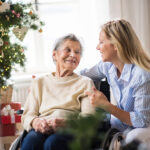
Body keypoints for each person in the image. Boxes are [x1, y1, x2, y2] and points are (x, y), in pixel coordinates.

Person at [21, 34, 95, 150]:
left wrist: (67, 124)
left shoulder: (85, 83)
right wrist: (36, 122)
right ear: (54, 54)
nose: (73, 55)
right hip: (42, 129)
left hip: (71, 132)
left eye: (77, 52)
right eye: (68, 50)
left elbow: (89, 119)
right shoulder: (39, 82)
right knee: (32, 141)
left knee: (52, 143)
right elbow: (28, 115)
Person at [81, 19, 150, 134]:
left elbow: (143, 121)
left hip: (142, 132)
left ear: (116, 45)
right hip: (119, 127)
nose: (97, 47)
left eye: (101, 42)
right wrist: (56, 75)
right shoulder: (108, 65)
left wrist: (105, 105)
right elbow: (84, 74)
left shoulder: (141, 75)